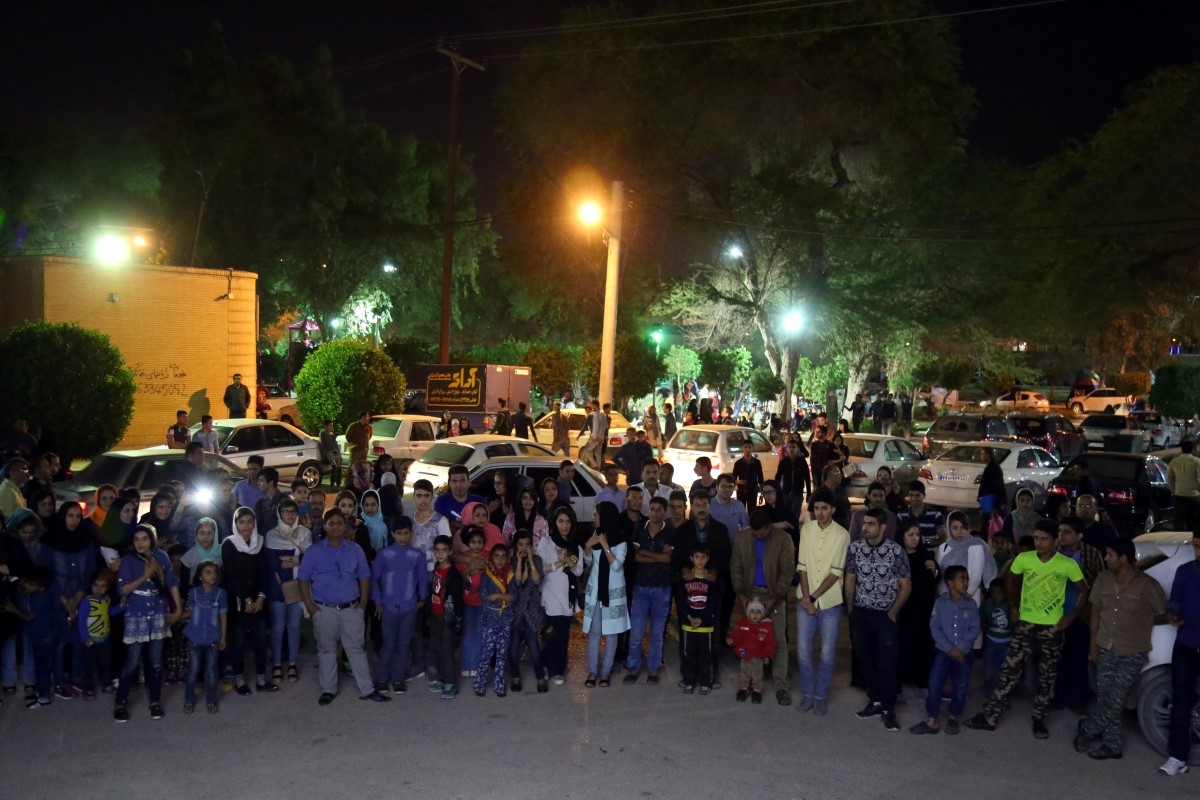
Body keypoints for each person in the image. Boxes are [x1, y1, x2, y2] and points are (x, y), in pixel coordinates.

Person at [966, 520, 1089, 738]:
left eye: (1044, 539)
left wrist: (1071, 616)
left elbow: (1084, 590)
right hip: (1025, 624)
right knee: (1009, 670)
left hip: (1052, 627)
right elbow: (1010, 578)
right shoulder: (1025, 559)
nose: (1039, 543)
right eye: (1036, 538)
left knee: (1047, 675)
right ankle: (991, 716)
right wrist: (1013, 605)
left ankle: (1039, 719)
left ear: (1056, 541)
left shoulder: (1067, 564)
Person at [1073, 536, 1167, 759]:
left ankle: (1088, 729)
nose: (1105, 558)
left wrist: (1143, 621)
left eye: (1110, 555)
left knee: (1116, 698)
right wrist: (1093, 643)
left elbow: (1162, 614)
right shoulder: (1103, 579)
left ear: (1123, 558)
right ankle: (1112, 745)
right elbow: (1095, 611)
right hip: (1105, 644)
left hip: (1132, 650)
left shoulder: (1147, 585)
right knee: (1106, 697)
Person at [298, 508, 390, 705]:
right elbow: (303, 580)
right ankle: (328, 689)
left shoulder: (355, 550)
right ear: (325, 526)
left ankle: (367, 689)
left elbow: (364, 577)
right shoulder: (314, 551)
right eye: (331, 523)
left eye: (340, 523)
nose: (336, 526)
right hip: (323, 609)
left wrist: (363, 603)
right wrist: (310, 606)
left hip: (352, 609)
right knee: (326, 650)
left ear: (346, 526)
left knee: (356, 649)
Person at [845, 507, 912, 731]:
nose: (865, 527)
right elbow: (850, 579)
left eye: (871, 524)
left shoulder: (896, 551)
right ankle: (874, 701)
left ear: (882, 527)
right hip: (861, 614)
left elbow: (906, 586)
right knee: (866, 661)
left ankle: (888, 709)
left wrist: (893, 612)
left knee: (887, 664)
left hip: (885, 617)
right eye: (864, 523)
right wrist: (851, 610)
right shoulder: (855, 549)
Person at [113, 524, 182, 722]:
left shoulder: (162, 556)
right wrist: (146, 574)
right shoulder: (128, 560)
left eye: (144, 538)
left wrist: (177, 609)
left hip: (158, 611)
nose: (140, 543)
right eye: (136, 539)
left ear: (151, 540)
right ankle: (120, 703)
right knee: (132, 662)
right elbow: (122, 590)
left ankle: (155, 701)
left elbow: (171, 583)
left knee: (156, 662)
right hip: (137, 613)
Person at [731, 509, 795, 706]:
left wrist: (774, 598)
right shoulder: (743, 538)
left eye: (762, 533)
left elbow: (787, 572)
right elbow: (736, 568)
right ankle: (749, 681)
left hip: (774, 595)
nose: (759, 536)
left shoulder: (783, 539)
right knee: (749, 640)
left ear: (770, 527)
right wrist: (742, 596)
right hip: (749, 595)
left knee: (779, 642)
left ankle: (781, 686)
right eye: (755, 533)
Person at [794, 488, 850, 715]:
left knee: (827, 653)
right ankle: (808, 693)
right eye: (816, 508)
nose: (820, 513)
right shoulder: (806, 530)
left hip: (829, 602)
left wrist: (813, 598)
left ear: (833, 509)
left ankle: (820, 695)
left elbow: (836, 572)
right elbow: (802, 566)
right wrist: (807, 599)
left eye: (825, 508)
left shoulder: (842, 535)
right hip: (805, 599)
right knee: (803, 651)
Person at [909, 564, 980, 736]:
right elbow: (935, 628)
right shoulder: (940, 603)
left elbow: (975, 628)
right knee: (935, 683)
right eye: (962, 579)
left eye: (967, 579)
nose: (966, 582)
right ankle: (932, 719)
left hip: (964, 654)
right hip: (943, 652)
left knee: (961, 685)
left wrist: (960, 649)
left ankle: (954, 716)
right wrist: (950, 649)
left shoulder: (971, 604)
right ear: (950, 583)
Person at [37, 501, 97, 698]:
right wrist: (64, 599)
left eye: (78, 516)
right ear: (63, 516)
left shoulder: (86, 539)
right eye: (70, 516)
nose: (74, 520)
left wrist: (78, 596)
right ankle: (60, 680)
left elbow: (90, 570)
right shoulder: (50, 540)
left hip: (81, 596)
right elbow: (46, 573)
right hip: (57, 598)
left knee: (79, 638)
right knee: (60, 641)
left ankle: (77, 675)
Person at [371, 517, 427, 695]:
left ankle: (398, 678)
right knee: (388, 643)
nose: (403, 537)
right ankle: (381, 678)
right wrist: (378, 601)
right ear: (393, 534)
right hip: (388, 606)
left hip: (409, 607)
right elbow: (375, 579)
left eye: (406, 533)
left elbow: (422, 578)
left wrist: (422, 598)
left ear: (411, 533)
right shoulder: (384, 555)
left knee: (403, 643)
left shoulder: (417, 555)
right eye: (399, 533)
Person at [624, 496, 676, 684]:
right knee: (636, 633)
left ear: (664, 512)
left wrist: (645, 552)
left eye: (658, 510)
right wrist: (658, 555)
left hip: (663, 588)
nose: (654, 513)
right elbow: (635, 557)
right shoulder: (639, 529)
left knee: (657, 633)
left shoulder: (670, 532)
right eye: (652, 509)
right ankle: (633, 668)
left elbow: (668, 559)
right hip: (641, 587)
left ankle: (653, 668)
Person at [1160, 532, 1200, 776]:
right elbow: (1175, 600)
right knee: (1181, 702)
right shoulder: (1185, 571)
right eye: (1197, 546)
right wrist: (1173, 614)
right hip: (1186, 644)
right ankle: (1177, 757)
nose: (1199, 551)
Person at [582, 502, 630, 687]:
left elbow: (616, 565)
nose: (593, 517)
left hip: (613, 594)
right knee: (594, 633)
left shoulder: (621, 539)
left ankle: (606, 673)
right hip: (596, 592)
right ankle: (592, 671)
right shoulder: (596, 534)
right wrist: (588, 546)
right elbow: (588, 561)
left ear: (606, 517)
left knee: (611, 634)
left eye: (596, 514)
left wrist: (605, 545)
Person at [264, 498, 310, 686]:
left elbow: (309, 559)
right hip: (277, 588)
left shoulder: (305, 533)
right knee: (278, 627)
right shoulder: (271, 535)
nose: (290, 515)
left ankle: (292, 663)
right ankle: (276, 664)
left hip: (298, 587)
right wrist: (296, 560)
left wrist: (288, 561)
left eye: (293, 511)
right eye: (286, 511)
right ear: (279, 514)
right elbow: (272, 563)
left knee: (294, 626)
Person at [539, 507, 583, 685]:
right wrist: (559, 562)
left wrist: (568, 560)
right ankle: (550, 666)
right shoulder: (546, 542)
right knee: (557, 633)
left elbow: (578, 571)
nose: (565, 525)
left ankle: (554, 667)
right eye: (561, 521)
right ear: (554, 523)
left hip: (568, 596)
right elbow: (540, 569)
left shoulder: (575, 546)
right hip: (551, 594)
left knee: (563, 635)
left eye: (568, 521)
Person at [897, 521, 938, 703]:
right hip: (901, 609)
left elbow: (936, 578)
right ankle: (898, 686)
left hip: (922, 611)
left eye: (917, 535)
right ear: (902, 536)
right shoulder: (896, 556)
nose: (915, 538)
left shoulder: (925, 556)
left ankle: (921, 682)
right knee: (900, 645)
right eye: (910, 535)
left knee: (922, 646)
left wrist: (934, 569)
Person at [5, 567, 57, 709]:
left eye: (30, 584)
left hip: (43, 638)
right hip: (40, 636)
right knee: (40, 667)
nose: (27, 586)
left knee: (42, 669)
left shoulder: (40, 598)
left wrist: (13, 609)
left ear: (40, 586)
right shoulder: (39, 595)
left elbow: (29, 617)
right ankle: (40, 692)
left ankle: (44, 698)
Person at [182, 560, 227, 714]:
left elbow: (223, 615)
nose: (212, 575)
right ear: (200, 576)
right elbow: (190, 611)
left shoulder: (221, 593)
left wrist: (223, 636)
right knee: (193, 670)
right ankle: (189, 701)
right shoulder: (193, 593)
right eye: (208, 573)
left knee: (212, 671)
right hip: (195, 637)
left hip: (213, 638)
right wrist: (176, 616)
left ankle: (211, 701)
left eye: (214, 572)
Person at [678, 544, 721, 696]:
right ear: (691, 558)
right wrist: (690, 617)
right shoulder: (685, 579)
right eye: (697, 557)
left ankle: (705, 682)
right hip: (688, 624)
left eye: (703, 557)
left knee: (706, 654)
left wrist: (701, 619)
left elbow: (712, 603)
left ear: (708, 559)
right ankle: (689, 681)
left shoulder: (711, 580)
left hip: (705, 625)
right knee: (689, 654)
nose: (700, 560)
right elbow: (681, 602)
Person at [474, 543, 516, 696]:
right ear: (492, 558)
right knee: (487, 652)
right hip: (490, 620)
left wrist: (498, 596)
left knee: (502, 653)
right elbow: (484, 596)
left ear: (507, 559)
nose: (500, 560)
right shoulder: (486, 575)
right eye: (497, 557)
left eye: (503, 557)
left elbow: (513, 597)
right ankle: (480, 683)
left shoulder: (510, 575)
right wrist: (504, 597)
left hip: (505, 619)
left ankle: (499, 684)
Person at [507, 529, 546, 692]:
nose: (524, 548)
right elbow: (516, 583)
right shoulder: (511, 562)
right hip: (515, 611)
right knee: (513, 646)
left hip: (531, 611)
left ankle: (540, 677)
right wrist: (519, 562)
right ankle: (515, 676)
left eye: (527, 545)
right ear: (515, 546)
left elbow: (536, 580)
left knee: (534, 645)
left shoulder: (537, 560)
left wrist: (529, 560)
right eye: (520, 545)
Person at [427, 534, 464, 700]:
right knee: (437, 648)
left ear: (450, 552)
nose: (440, 554)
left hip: (447, 616)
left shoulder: (453, 574)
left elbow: (457, 598)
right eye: (437, 550)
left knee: (447, 650)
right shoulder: (437, 567)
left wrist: (457, 618)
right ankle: (442, 679)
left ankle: (451, 683)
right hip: (435, 614)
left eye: (444, 550)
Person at [727, 597, 775, 703]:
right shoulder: (743, 625)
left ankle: (757, 691)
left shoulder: (766, 628)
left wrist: (767, 655)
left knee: (758, 674)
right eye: (752, 612)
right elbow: (736, 636)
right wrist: (732, 640)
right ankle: (743, 689)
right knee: (744, 671)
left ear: (762, 614)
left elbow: (770, 643)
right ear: (748, 614)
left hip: (758, 655)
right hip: (745, 653)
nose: (755, 615)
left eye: (758, 612)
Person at [76, 571, 114, 701]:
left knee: (106, 662)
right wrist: (85, 638)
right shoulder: (87, 601)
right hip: (91, 639)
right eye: (96, 585)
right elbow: (81, 621)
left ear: (108, 587)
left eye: (103, 586)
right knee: (89, 665)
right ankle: (88, 688)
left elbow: (109, 612)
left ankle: (106, 683)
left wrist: (121, 607)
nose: (98, 589)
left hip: (105, 637)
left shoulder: (107, 599)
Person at [979, 578, 1013, 698]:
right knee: (989, 669)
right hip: (991, 642)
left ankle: (1001, 695)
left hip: (1006, 643)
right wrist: (983, 626)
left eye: (999, 592)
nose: (995, 595)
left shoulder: (1010, 606)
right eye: (992, 592)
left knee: (1002, 670)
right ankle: (989, 693)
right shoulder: (988, 604)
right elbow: (981, 615)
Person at [434, 465, 485, 532]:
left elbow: (485, 528)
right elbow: (436, 527)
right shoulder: (441, 502)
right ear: (449, 483)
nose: (459, 485)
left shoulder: (480, 501)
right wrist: (451, 524)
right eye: (454, 481)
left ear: (468, 482)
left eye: (462, 480)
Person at [896, 481, 946, 549]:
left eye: (917, 495)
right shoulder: (901, 516)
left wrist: (927, 541)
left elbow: (944, 538)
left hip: (929, 554)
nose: (914, 498)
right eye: (911, 495)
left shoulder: (935, 515)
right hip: (907, 554)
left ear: (924, 496)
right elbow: (898, 539)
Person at [1168, 440, 1200, 533]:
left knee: (1179, 520)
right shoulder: (1196, 461)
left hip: (1179, 494)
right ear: (1193, 450)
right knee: (1195, 520)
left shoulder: (1174, 461)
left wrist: (1174, 490)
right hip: (1194, 495)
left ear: (1182, 449)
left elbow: (1169, 479)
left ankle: (1178, 539)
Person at [776, 438, 811, 519]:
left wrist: (809, 493)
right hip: (785, 492)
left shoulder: (802, 462)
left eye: (794, 447)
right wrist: (777, 491)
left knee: (795, 515)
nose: (791, 449)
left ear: (797, 448)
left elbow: (807, 477)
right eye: (790, 447)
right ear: (787, 448)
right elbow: (778, 477)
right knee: (785, 515)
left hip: (797, 493)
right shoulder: (784, 462)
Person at [711, 474, 749, 541]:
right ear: (717, 487)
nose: (727, 489)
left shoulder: (738, 505)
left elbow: (746, 527)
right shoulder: (709, 505)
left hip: (735, 545)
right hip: (714, 545)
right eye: (723, 486)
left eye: (730, 486)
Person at [732, 441, 765, 508]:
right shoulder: (738, 463)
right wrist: (739, 482)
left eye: (749, 447)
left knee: (752, 511)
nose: (747, 449)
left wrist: (762, 494)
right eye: (745, 447)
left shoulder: (757, 462)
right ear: (742, 449)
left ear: (752, 448)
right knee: (741, 511)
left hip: (753, 492)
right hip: (741, 492)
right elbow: (733, 479)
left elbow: (761, 479)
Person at [977, 446, 1007, 518]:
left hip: (991, 503)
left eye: (983, 453)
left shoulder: (993, 469)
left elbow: (998, 487)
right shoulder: (989, 467)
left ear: (988, 455)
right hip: (987, 502)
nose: (981, 456)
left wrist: (996, 506)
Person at [319, 419, 343, 488]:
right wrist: (325, 453)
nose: (332, 427)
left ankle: (338, 483)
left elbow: (335, 443)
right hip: (330, 452)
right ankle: (332, 484)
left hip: (336, 451)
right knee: (335, 468)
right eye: (330, 425)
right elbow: (323, 444)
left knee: (339, 467)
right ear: (326, 426)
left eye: (332, 425)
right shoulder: (323, 433)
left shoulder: (332, 434)